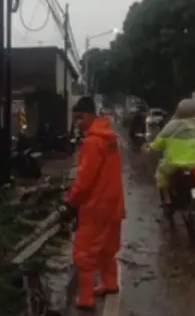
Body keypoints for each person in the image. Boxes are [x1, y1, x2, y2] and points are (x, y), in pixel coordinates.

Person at [62, 96, 125, 311]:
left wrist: (70, 201)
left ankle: (86, 298)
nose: (78, 122)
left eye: (79, 117)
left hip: (95, 206)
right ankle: (110, 283)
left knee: (84, 254)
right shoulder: (109, 138)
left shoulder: (92, 142)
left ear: (88, 114)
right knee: (107, 248)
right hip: (113, 204)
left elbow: (85, 179)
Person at [146, 98, 195, 207]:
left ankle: (167, 200)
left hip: (175, 163)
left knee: (161, 174)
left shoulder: (173, 125)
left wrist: (151, 147)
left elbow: (159, 141)